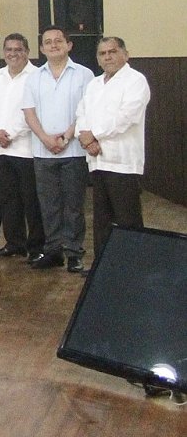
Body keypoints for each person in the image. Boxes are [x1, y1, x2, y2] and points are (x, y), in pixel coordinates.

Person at [22, 26, 93, 273]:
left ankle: (74, 253)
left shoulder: (84, 75)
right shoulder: (34, 78)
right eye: (48, 42)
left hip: (73, 151)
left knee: (73, 205)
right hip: (43, 152)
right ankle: (53, 251)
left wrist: (65, 137)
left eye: (58, 41)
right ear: (42, 48)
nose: (53, 45)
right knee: (48, 205)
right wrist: (45, 139)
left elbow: (86, 111)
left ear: (69, 45)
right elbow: (29, 112)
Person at [75, 36, 150, 267]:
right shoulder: (94, 84)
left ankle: (132, 267)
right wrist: (86, 138)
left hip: (122, 161)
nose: (107, 57)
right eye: (102, 53)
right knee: (102, 220)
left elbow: (127, 117)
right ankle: (103, 266)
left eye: (113, 51)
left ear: (125, 54)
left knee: (128, 219)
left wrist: (94, 134)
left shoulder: (136, 80)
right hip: (97, 159)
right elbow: (81, 113)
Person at [0, 33, 44, 258]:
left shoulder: (37, 76)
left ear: (27, 52)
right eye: (9, 49)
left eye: (18, 49)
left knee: (31, 201)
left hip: (26, 149)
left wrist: (11, 133)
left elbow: (35, 112)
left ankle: (36, 246)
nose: (13, 54)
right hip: (0, 148)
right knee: (8, 199)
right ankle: (14, 243)